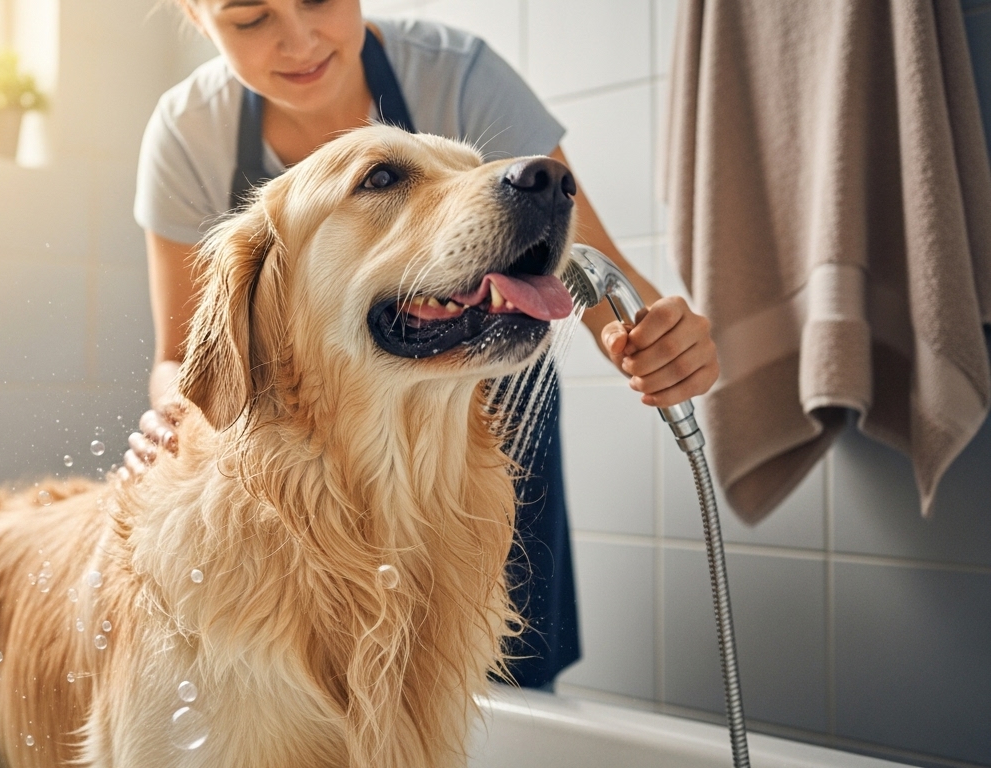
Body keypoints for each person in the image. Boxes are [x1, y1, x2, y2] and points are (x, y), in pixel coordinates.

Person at [123, 0, 718, 689]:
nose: (299, 39)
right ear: (199, 21)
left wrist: (660, 341)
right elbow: (183, 355)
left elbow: (596, 278)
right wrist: (174, 412)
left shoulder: (458, 76)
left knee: (503, 688)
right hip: (296, 459)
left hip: (480, 431)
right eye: (250, 19)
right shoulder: (188, 132)